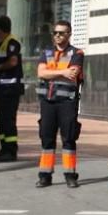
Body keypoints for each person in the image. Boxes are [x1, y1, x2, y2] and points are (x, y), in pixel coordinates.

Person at [36, 20, 84, 189]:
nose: (57, 35)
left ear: (69, 35)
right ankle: (45, 175)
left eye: (62, 33)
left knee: (69, 138)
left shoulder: (77, 53)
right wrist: (62, 72)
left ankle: (70, 175)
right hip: (48, 102)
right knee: (46, 138)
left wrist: (52, 73)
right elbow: (40, 73)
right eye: (55, 32)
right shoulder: (46, 52)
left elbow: (73, 74)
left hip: (67, 102)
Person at [0, 15, 24, 161]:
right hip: (1, 89)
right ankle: (4, 148)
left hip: (9, 90)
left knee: (8, 120)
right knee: (1, 120)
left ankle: (11, 151)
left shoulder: (12, 43)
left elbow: (13, 62)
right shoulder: (2, 44)